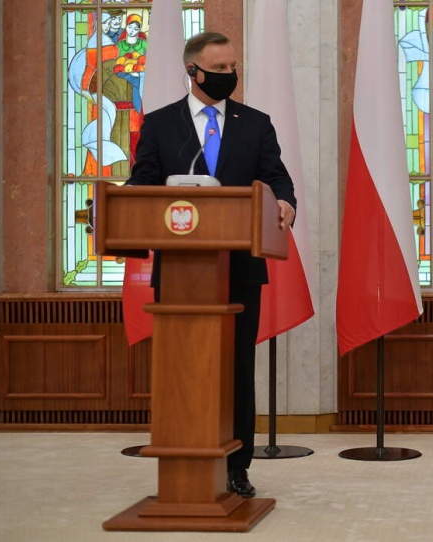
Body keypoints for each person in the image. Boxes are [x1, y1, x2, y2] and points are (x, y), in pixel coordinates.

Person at [126, 32, 297, 498]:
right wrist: (128, 202)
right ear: (192, 72)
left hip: (240, 268)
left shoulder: (255, 123)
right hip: (183, 273)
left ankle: (237, 466)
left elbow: (276, 175)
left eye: (232, 68)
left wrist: (285, 200)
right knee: (185, 368)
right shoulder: (161, 124)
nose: (229, 77)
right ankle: (185, 464)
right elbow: (141, 184)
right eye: (219, 70)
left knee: (237, 368)